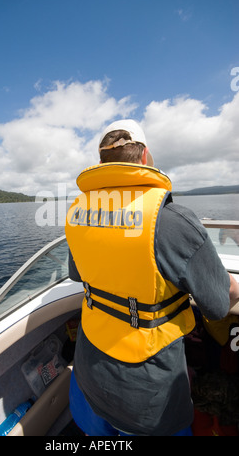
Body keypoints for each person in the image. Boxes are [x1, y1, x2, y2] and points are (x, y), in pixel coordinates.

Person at [65, 119, 239, 436]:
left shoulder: (79, 213)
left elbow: (78, 275)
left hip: (87, 377)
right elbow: (218, 304)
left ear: (102, 161)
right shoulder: (172, 218)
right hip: (146, 400)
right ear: (145, 157)